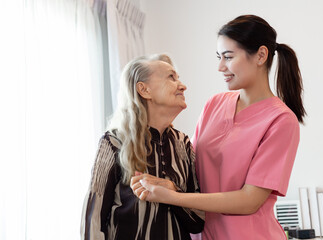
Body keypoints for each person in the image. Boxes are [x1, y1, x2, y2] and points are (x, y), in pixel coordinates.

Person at [130, 15, 306, 240]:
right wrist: (171, 187)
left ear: (261, 55)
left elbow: (249, 201)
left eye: (228, 57)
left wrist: (171, 197)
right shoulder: (214, 104)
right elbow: (195, 173)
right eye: (219, 57)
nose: (221, 66)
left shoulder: (281, 120)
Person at [80, 54, 204, 240]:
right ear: (144, 90)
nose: (182, 85)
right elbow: (93, 220)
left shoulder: (184, 144)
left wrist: (172, 191)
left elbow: (198, 220)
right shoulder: (114, 142)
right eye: (171, 77)